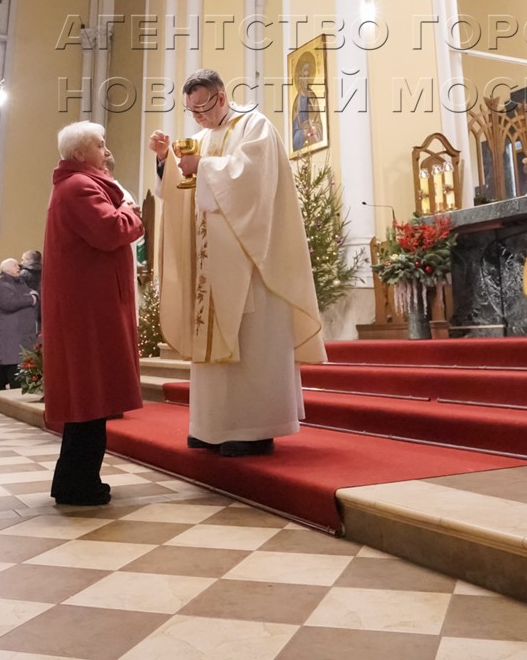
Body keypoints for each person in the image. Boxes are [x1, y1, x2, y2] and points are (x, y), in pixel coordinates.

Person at [153, 69, 324, 456]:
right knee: (212, 342)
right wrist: (166, 161)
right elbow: (179, 192)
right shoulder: (197, 138)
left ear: (222, 96)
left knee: (252, 340)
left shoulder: (255, 126)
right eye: (191, 110)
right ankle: (211, 426)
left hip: (250, 262)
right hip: (209, 266)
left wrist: (205, 169)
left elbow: (252, 181)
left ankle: (254, 428)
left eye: (203, 106)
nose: (197, 116)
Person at [42, 121, 143, 505]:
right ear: (81, 153)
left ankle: (76, 480)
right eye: (100, 145)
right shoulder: (80, 187)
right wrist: (131, 210)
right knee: (89, 398)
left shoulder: (76, 185)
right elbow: (111, 231)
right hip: (90, 307)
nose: (106, 151)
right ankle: (77, 484)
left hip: (91, 301)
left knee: (91, 398)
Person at [0, 257, 38, 390]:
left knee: (15, 363)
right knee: (11, 364)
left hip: (20, 331)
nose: (19, 267)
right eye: (15, 265)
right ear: (7, 269)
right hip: (10, 332)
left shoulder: (18, 282)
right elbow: (8, 304)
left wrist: (33, 296)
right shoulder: (3, 285)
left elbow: (30, 293)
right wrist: (31, 299)